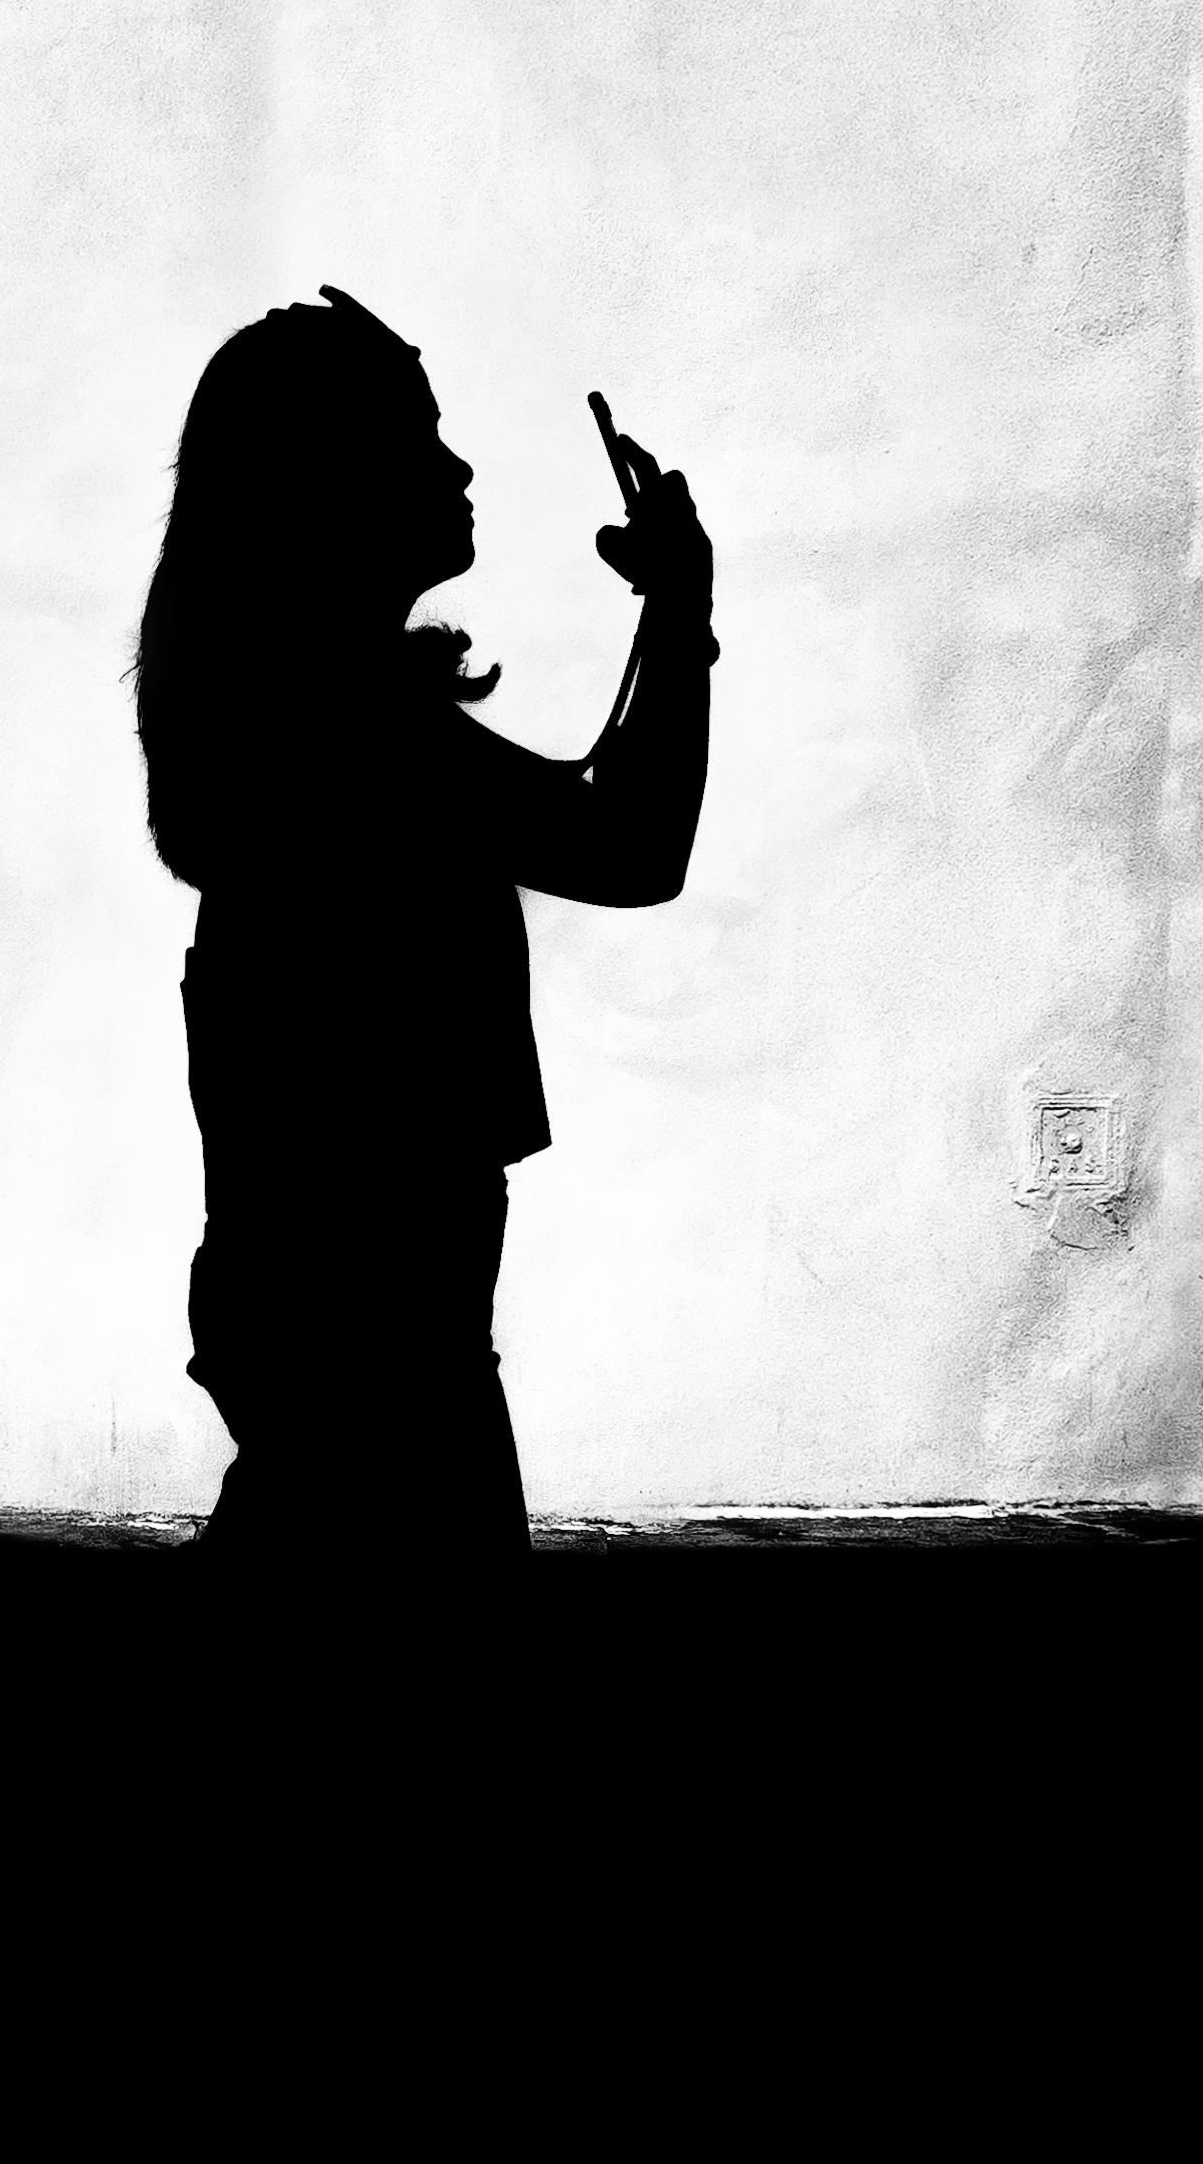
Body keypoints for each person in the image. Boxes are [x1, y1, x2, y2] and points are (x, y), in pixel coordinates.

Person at [133, 291, 715, 1554]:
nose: (455, 468)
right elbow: (631, 847)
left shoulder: (296, 721)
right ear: (328, 486)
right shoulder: (361, 737)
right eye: (416, 438)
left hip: (330, 1342)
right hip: (388, 1355)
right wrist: (678, 614)